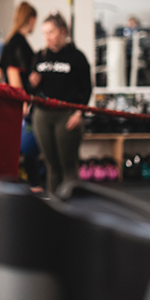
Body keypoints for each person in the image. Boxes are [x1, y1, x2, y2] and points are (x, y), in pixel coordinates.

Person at [29, 11, 92, 193]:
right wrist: (32, 83)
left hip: (67, 115)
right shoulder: (40, 56)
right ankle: (54, 209)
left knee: (68, 165)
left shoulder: (76, 57)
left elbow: (86, 89)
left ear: (63, 31)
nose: (47, 37)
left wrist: (79, 113)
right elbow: (31, 89)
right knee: (51, 165)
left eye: (51, 32)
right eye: (44, 33)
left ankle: (73, 209)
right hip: (43, 115)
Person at [0, 1, 39, 187]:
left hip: (13, 100)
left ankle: (28, 185)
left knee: (17, 148)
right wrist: (21, 102)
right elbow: (13, 73)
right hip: (20, 103)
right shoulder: (19, 43)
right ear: (31, 20)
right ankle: (33, 186)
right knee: (27, 148)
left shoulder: (9, 41)